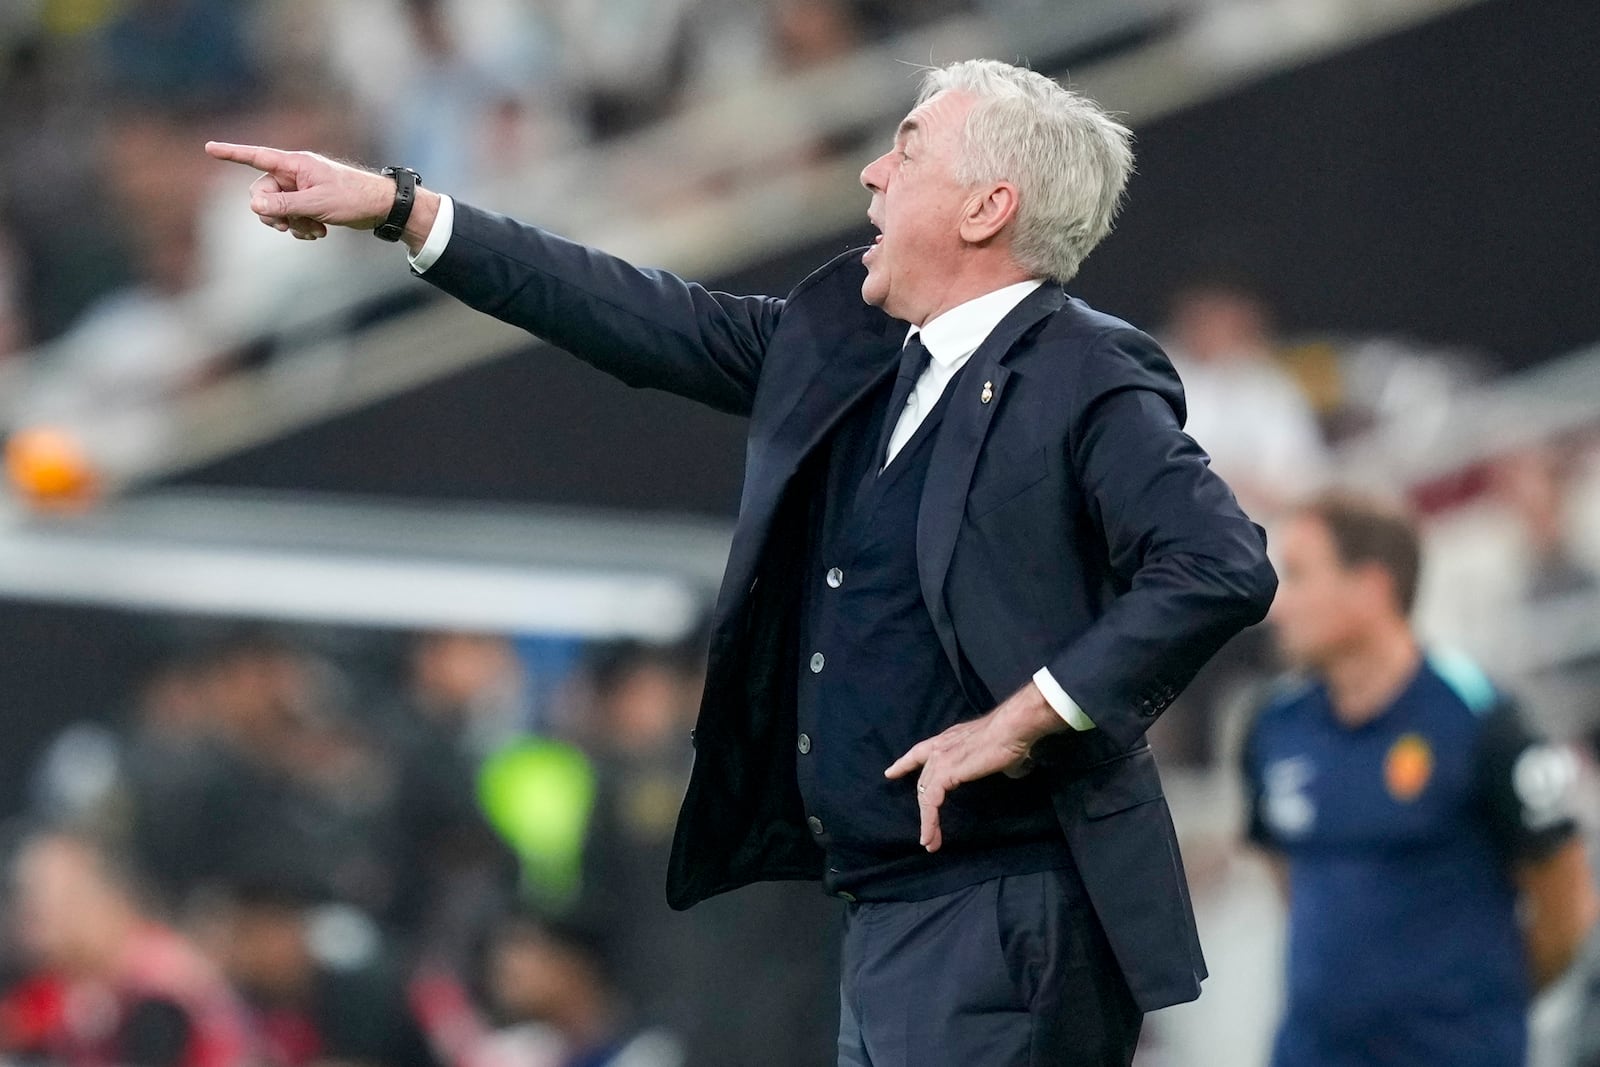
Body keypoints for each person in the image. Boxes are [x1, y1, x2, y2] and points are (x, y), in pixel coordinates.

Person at [205, 57, 1278, 1066]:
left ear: (985, 206)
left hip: (1009, 902)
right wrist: (402, 208)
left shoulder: (1084, 370)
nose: (872, 169)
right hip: (883, 903)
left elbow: (1218, 561)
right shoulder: (857, 353)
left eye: (906, 148)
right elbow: (634, 313)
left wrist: (1026, 712)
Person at [1242, 492, 1600, 1067]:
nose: (1279, 606)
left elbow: (1566, 905)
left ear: (1372, 587)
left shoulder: (1482, 720)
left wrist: (1482, 1003)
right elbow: (1291, 882)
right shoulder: (1275, 726)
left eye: (1301, 576)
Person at [3, 829, 254, 1067]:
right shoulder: (71, 984)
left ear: (102, 898)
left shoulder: (162, 988)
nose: (30, 917)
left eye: (49, 900)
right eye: (24, 898)